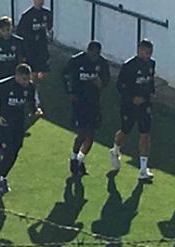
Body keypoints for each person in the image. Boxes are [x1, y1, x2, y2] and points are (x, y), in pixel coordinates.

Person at [0, 63, 37, 197]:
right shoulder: (4, 85)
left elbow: (32, 102)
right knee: (8, 154)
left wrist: (35, 110)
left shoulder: (30, 87)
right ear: (17, 76)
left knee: (14, 153)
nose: (26, 82)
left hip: (19, 124)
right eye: (24, 79)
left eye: (28, 79)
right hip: (4, 124)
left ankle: (2, 177)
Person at [109, 39, 156, 181]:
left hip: (145, 104)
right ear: (139, 50)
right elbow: (120, 86)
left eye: (150, 53)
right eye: (146, 52)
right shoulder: (129, 66)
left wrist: (150, 92)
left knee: (145, 134)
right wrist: (132, 98)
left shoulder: (151, 64)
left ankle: (143, 169)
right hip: (129, 105)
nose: (148, 55)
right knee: (125, 131)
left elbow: (150, 80)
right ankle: (115, 149)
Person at [62, 41, 110, 176]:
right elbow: (65, 75)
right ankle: (73, 157)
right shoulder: (76, 61)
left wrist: (101, 83)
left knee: (91, 135)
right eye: (93, 53)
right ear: (88, 51)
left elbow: (106, 80)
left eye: (97, 54)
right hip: (79, 102)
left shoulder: (102, 63)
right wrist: (70, 92)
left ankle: (80, 160)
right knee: (82, 133)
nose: (95, 57)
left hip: (93, 102)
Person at [17, 0, 53, 110]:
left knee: (42, 74)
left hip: (42, 49)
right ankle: (33, 98)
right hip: (31, 49)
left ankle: (35, 93)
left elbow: (49, 28)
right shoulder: (27, 16)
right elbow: (20, 33)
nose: (41, 1)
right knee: (32, 74)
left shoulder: (47, 14)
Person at [0, 16, 26, 82]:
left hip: (14, 74)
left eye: (8, 29)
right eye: (3, 30)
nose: (6, 32)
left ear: (11, 28)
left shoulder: (18, 42)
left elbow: (23, 57)